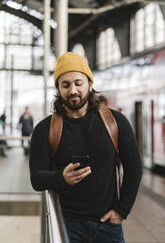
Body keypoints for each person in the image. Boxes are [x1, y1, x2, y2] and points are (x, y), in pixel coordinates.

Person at [29, 52, 142, 243]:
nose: (73, 90)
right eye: (65, 85)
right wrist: (61, 178)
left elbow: (134, 168)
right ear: (58, 88)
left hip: (108, 225)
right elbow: (36, 179)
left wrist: (122, 210)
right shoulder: (44, 129)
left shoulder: (115, 122)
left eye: (78, 83)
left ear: (90, 84)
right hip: (67, 224)